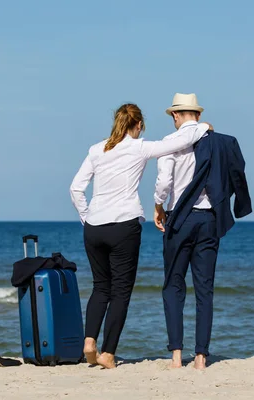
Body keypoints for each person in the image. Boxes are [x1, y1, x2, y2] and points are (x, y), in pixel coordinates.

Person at [70, 103, 212, 369]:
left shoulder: (96, 150)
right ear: (138, 126)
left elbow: (76, 188)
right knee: (121, 291)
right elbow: (179, 141)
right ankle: (108, 354)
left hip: (94, 226)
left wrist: (87, 217)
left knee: (101, 287)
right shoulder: (139, 147)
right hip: (123, 224)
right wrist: (203, 126)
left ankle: (89, 341)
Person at [153, 93, 252, 369]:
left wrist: (158, 205)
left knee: (173, 285)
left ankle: (175, 356)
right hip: (209, 218)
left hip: (180, 219)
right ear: (197, 114)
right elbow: (236, 173)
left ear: (175, 115)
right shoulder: (219, 142)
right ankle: (200, 357)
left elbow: (163, 182)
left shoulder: (170, 143)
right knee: (204, 289)